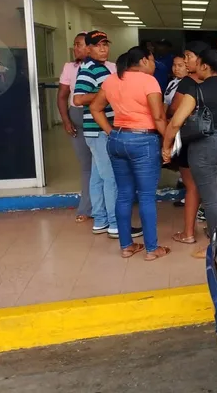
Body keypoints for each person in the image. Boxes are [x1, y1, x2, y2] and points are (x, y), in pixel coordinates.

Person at [90, 47, 168, 260]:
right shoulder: (148, 81)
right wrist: (168, 143)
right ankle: (152, 249)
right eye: (152, 60)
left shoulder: (112, 80)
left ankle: (127, 246)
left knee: (124, 194)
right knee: (146, 196)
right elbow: (159, 117)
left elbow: (95, 108)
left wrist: (110, 132)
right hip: (143, 140)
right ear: (143, 60)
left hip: (117, 138)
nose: (154, 65)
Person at [163, 48, 217, 259]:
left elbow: (176, 122)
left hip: (204, 145)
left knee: (210, 199)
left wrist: (167, 148)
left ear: (205, 66)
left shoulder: (197, 90)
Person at [73, 30, 141, 240]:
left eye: (105, 44)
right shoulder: (89, 69)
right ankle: (115, 224)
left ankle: (101, 220)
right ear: (89, 48)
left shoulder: (102, 68)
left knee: (97, 177)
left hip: (99, 131)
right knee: (111, 177)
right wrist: (106, 94)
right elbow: (78, 99)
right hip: (99, 130)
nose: (103, 48)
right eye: (98, 45)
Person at [169, 41, 209, 240]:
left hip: (189, 137)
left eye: (188, 57)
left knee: (192, 185)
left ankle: (189, 233)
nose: (185, 61)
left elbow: (175, 110)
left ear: (200, 59)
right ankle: (213, 230)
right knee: (211, 184)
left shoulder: (187, 83)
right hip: (212, 139)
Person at [56, 32, 96, 223]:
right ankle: (86, 208)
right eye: (75, 45)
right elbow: (63, 95)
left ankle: (103, 207)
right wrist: (66, 120)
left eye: (79, 44)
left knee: (103, 166)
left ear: (90, 47)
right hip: (78, 116)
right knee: (86, 165)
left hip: (98, 118)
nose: (76, 48)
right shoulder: (69, 68)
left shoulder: (109, 67)